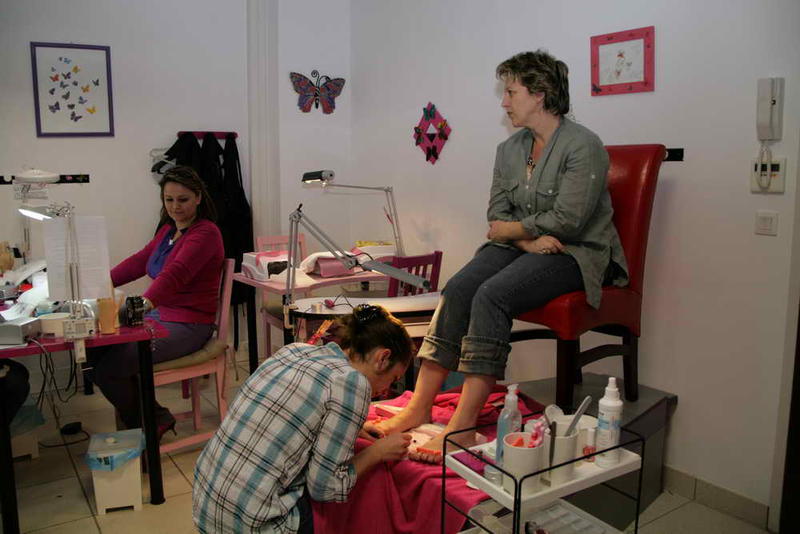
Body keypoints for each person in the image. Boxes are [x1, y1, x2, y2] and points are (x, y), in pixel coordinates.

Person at [378, 50, 629, 462]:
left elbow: (568, 221)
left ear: (540, 94)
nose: (505, 102)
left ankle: (463, 424)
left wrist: (511, 232)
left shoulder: (584, 146)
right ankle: (420, 406)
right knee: (458, 288)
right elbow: (497, 213)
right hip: (527, 246)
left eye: (511, 92)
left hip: (575, 252)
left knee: (491, 295)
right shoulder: (509, 149)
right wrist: (526, 241)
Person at [193, 304, 414, 534]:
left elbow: (291, 412)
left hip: (207, 506)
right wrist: (378, 452)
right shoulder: (353, 382)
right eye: (393, 379)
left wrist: (354, 426)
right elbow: (325, 487)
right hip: (252, 524)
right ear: (382, 358)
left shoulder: (296, 351)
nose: (386, 391)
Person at [88, 166, 224, 439]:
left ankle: (147, 422)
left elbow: (175, 274)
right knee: (93, 348)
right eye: (169, 199)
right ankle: (153, 416)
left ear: (198, 197)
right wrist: (96, 284)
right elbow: (139, 262)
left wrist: (146, 302)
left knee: (112, 366)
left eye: (183, 199)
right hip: (161, 316)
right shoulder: (167, 232)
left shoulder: (206, 233)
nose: (175, 207)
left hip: (190, 325)